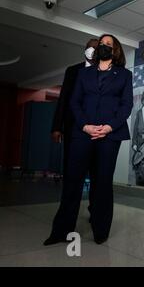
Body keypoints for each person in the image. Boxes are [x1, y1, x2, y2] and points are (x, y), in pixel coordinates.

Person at [44, 34, 133, 245]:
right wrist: (85, 125)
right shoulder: (83, 74)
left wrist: (109, 127)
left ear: (116, 50)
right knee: (73, 182)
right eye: (101, 44)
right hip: (82, 133)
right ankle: (61, 231)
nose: (103, 46)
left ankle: (101, 231)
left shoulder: (124, 75)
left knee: (102, 184)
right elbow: (74, 102)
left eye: (108, 44)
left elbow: (126, 105)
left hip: (110, 135)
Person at [51, 38, 98, 216]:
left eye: (96, 47)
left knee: (97, 175)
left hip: (96, 132)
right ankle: (67, 217)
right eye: (90, 47)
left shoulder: (105, 71)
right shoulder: (73, 71)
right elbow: (63, 99)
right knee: (72, 176)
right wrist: (57, 127)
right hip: (74, 130)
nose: (93, 50)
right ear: (84, 50)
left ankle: (95, 213)